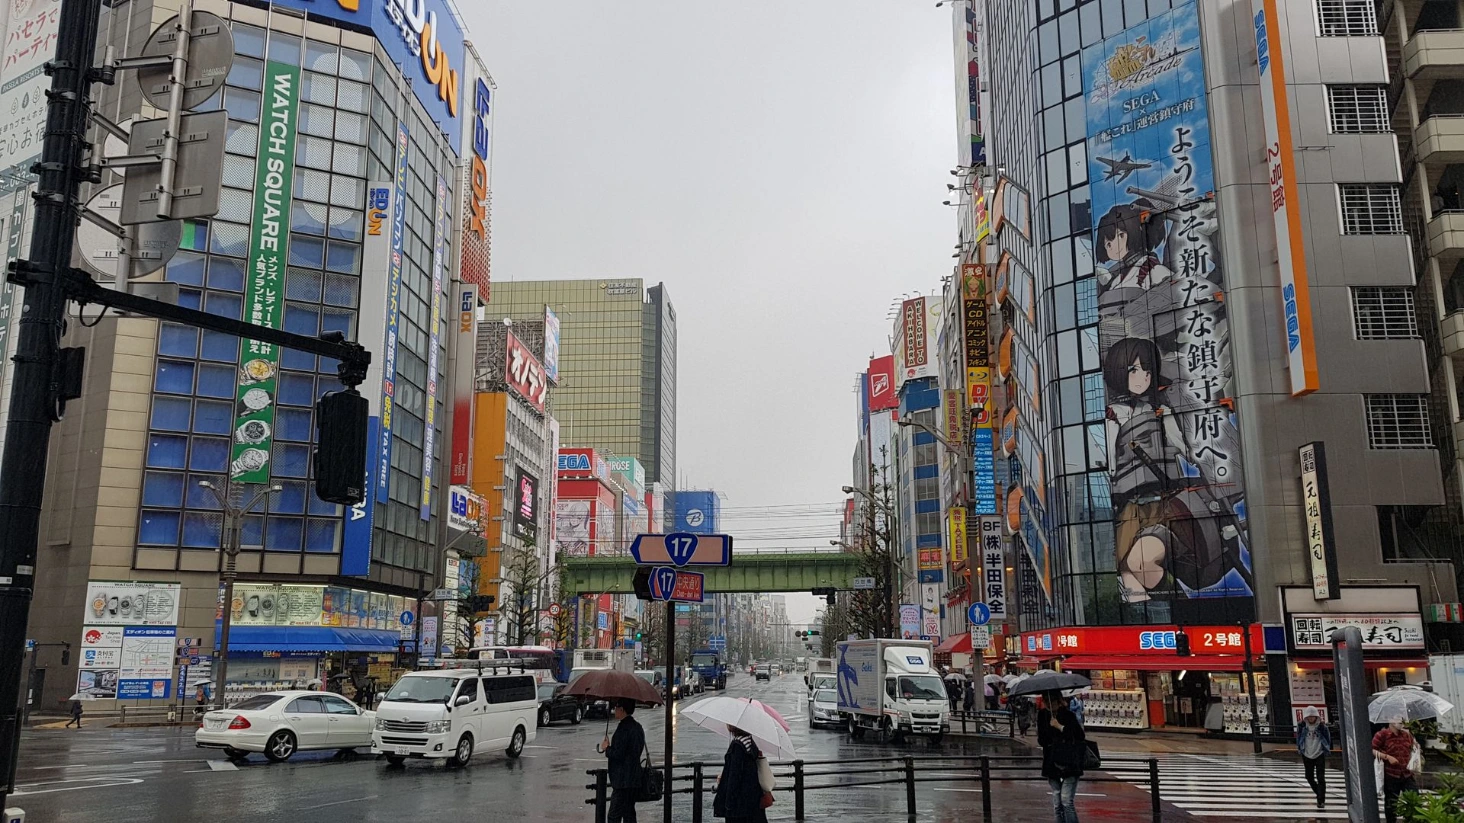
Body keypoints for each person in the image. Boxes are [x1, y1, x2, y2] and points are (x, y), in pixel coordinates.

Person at [1037, 693, 1086, 823]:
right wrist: (1049, 730)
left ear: (1059, 701)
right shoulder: (1042, 715)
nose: (1048, 705)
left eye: (1051, 701)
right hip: (1052, 760)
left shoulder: (1068, 715)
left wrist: (1060, 727)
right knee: (1057, 801)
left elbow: (1079, 736)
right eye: (1046, 701)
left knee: (1066, 800)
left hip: (1069, 760)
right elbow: (1041, 740)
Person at [600, 700, 646, 823]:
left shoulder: (623, 729)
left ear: (622, 709)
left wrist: (607, 748)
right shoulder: (637, 727)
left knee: (614, 816)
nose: (615, 709)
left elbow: (618, 754)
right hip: (634, 778)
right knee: (629, 814)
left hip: (622, 781)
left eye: (617, 707)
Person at [712, 725, 769, 823]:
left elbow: (735, 776)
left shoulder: (737, 746)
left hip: (738, 804)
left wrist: (728, 803)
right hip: (752, 800)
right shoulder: (750, 742)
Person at [1373, 716, 1418, 823]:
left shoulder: (1407, 735)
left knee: (1414, 798)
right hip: (1391, 774)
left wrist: (1417, 747)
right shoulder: (1382, 735)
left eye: (1401, 719)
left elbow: (1413, 747)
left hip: (1407, 773)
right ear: (1390, 720)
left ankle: (1411, 819)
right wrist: (1387, 757)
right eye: (1397, 719)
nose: (1400, 722)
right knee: (1391, 803)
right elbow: (1372, 750)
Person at [1295, 706, 1331, 809]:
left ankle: (1321, 800)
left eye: (1313, 717)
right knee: (1309, 776)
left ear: (1316, 717)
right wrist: (1299, 748)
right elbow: (1299, 738)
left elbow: (1327, 738)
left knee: (1320, 777)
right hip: (1306, 753)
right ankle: (1319, 793)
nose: (1311, 719)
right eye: (1309, 717)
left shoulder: (1321, 726)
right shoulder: (1302, 726)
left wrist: (1326, 748)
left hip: (1319, 753)